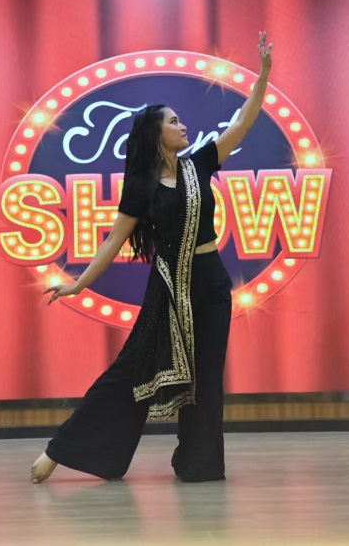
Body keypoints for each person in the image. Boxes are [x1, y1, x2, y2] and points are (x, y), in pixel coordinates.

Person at [31, 32, 273, 484]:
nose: (183, 126)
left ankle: (199, 464)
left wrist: (263, 75)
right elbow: (112, 241)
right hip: (168, 291)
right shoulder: (141, 186)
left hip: (212, 287)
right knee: (130, 371)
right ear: (157, 133)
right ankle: (60, 451)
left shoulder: (200, 163)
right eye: (174, 122)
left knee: (206, 380)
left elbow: (243, 122)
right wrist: (78, 284)